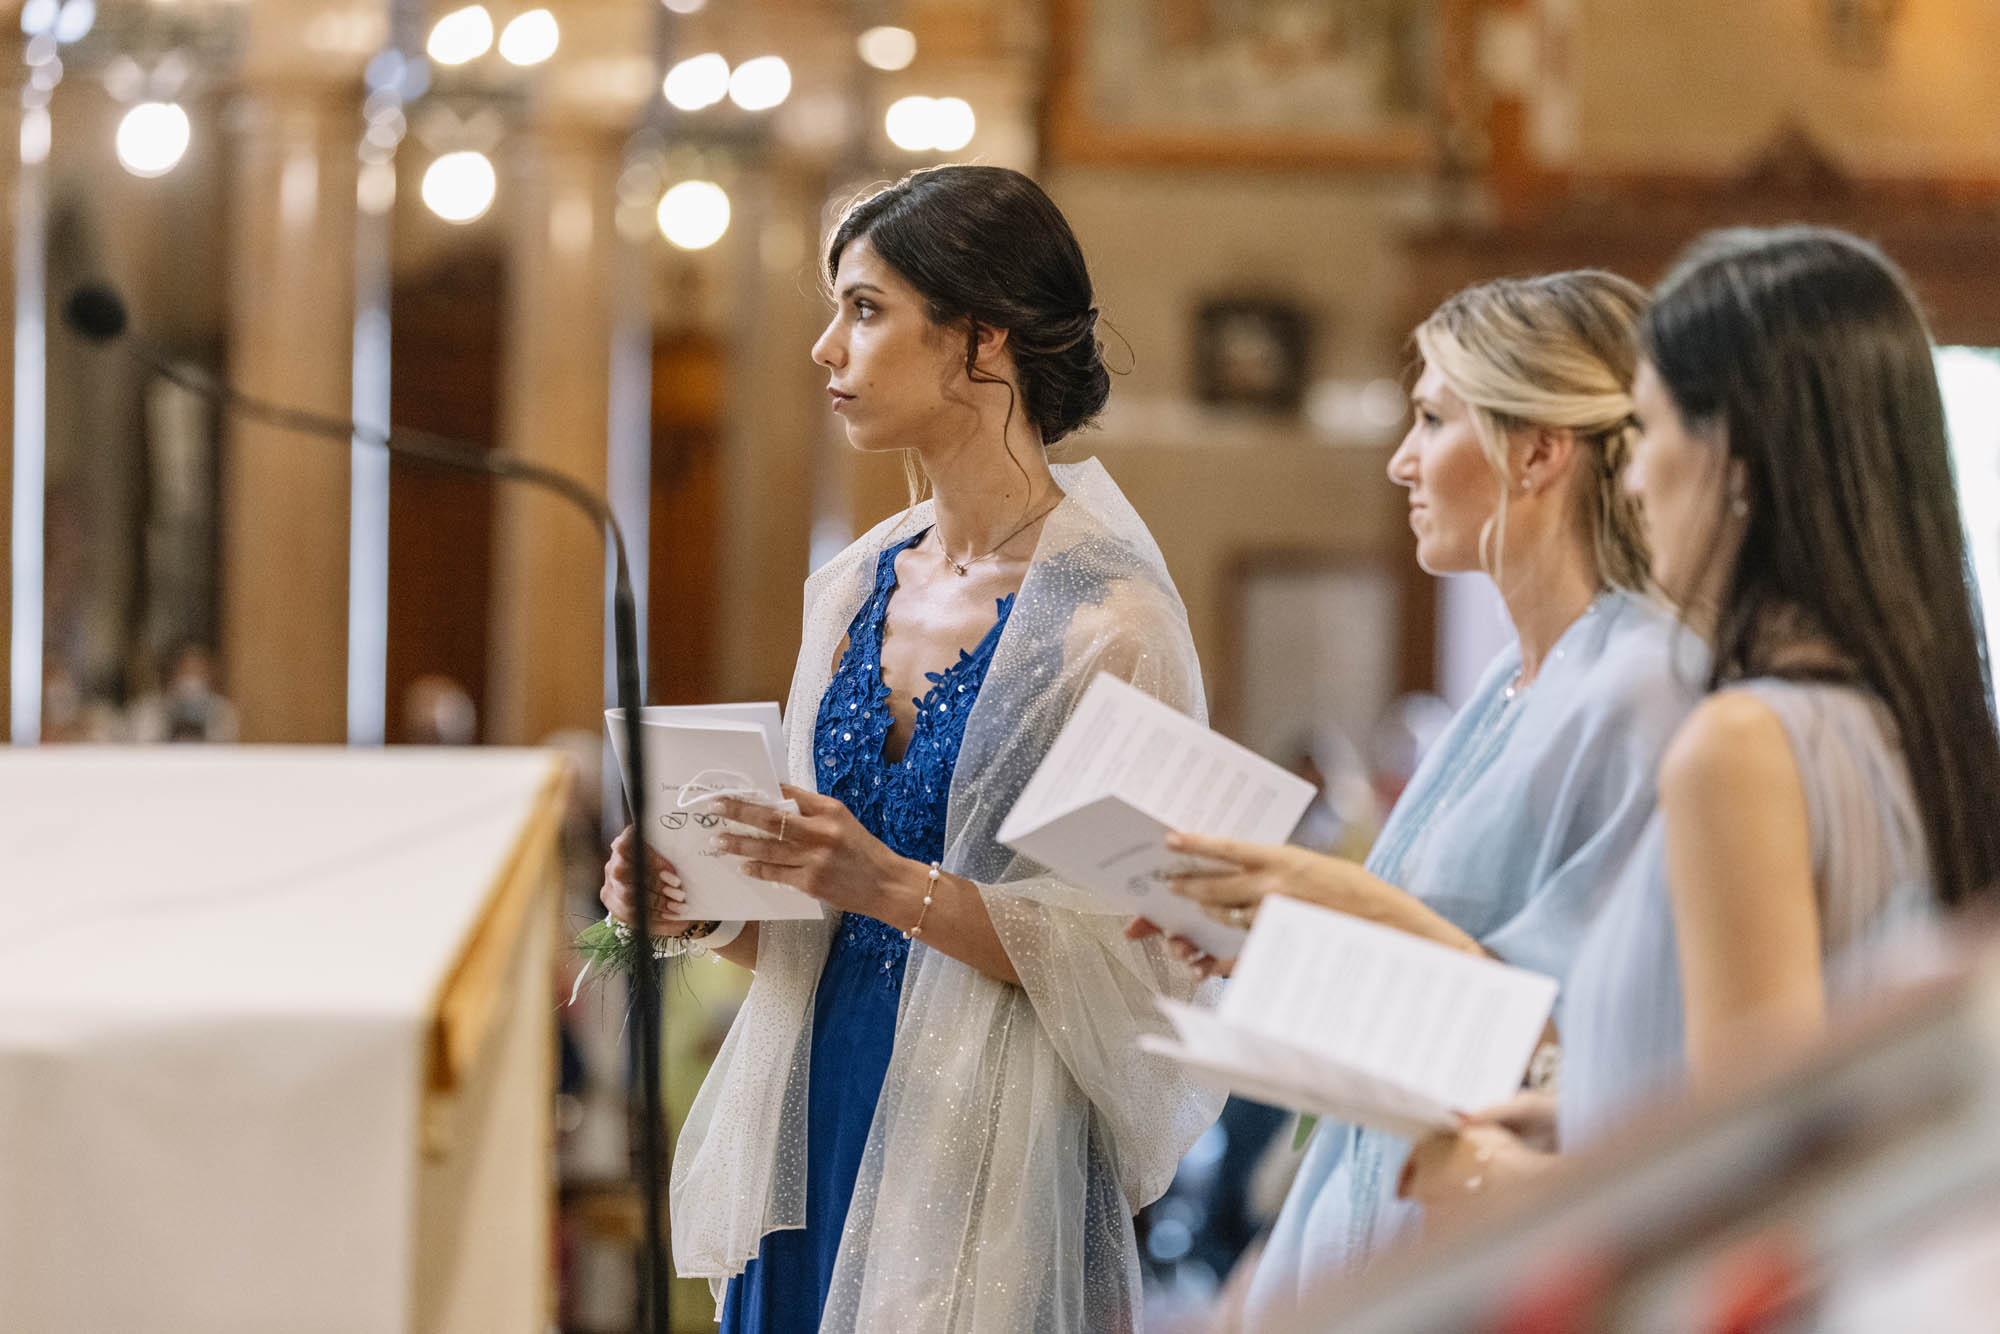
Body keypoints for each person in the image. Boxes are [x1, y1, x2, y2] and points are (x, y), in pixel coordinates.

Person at [600, 165, 1221, 1332]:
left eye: (866, 308)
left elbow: (1145, 960)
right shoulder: (850, 586)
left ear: (979, 341)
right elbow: (816, 927)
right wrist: (702, 905)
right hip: (810, 1098)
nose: (827, 348)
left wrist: (886, 882)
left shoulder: (1111, 622)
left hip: (986, 1138)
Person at [1144, 270, 1707, 1324]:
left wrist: (1338, 901)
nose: (1401, 459)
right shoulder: (1505, 680)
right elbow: (1446, 977)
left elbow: (1608, 1031)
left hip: (1495, 1221)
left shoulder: (1645, 685)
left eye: (1433, 419)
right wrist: (1273, 943)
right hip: (1369, 1195)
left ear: (1538, 448)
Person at [1402, 226, 2000, 1208]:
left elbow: (1756, 1188)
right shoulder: (1920, 721)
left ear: (1732, 457)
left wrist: (1500, 1180)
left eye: (1648, 428)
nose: (1631, 479)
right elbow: (1821, 1071)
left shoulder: (1740, 745)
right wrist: (1589, 1109)